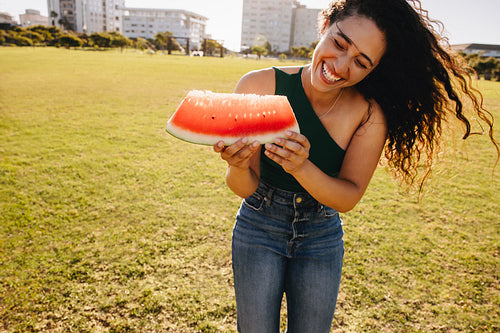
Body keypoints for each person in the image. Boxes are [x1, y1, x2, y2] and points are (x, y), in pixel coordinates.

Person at [213, 0, 497, 332]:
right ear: (325, 26)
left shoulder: (368, 113)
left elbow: (348, 197)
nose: (341, 65)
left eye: (361, 62)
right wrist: (238, 165)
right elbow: (244, 188)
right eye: (339, 43)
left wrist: (301, 167)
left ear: (375, 69)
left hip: (320, 236)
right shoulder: (257, 87)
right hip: (258, 226)